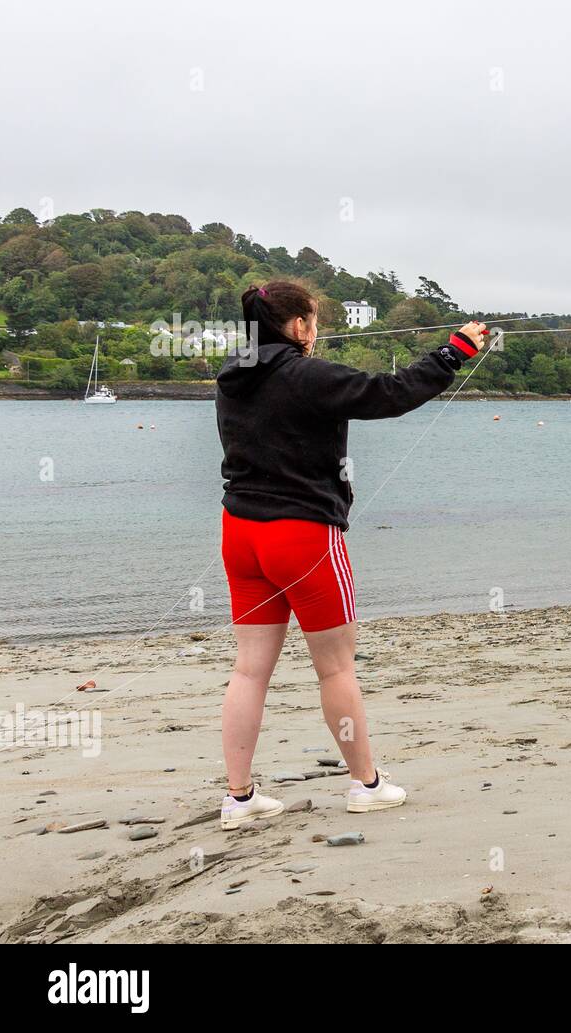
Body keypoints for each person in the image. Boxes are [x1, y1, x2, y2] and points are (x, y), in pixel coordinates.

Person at [215, 280, 485, 829]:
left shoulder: (234, 373)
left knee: (248, 671)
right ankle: (367, 785)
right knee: (335, 668)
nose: (316, 333)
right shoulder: (306, 375)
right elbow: (389, 394)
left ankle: (238, 799)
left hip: (239, 533)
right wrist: (454, 351)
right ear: (297, 326)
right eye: (313, 322)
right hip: (303, 537)